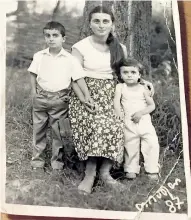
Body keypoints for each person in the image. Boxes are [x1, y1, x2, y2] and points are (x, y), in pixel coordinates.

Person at [69, 6, 154, 194]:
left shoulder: (119, 47)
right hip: (84, 93)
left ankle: (105, 172)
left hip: (112, 94)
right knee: (97, 122)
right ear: (90, 23)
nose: (101, 25)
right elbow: (74, 77)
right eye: (96, 21)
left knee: (116, 123)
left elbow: (125, 72)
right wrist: (85, 99)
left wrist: (142, 82)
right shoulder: (80, 47)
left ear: (112, 23)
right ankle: (90, 173)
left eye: (105, 21)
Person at [28, 21, 90, 173]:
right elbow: (32, 74)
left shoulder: (70, 59)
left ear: (63, 38)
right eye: (48, 35)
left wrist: (86, 96)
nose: (51, 39)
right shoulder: (39, 56)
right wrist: (33, 93)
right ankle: (37, 162)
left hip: (60, 99)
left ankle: (57, 163)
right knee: (38, 130)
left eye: (55, 35)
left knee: (58, 134)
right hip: (41, 97)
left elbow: (78, 78)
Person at [114, 58, 160, 181]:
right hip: (128, 122)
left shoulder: (143, 89)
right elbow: (116, 103)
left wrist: (140, 113)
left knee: (151, 144)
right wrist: (119, 115)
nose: (129, 75)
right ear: (120, 75)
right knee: (130, 145)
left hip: (144, 121)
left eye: (133, 72)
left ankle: (152, 169)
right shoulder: (120, 87)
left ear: (139, 75)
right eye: (125, 72)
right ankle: (131, 169)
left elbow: (152, 106)